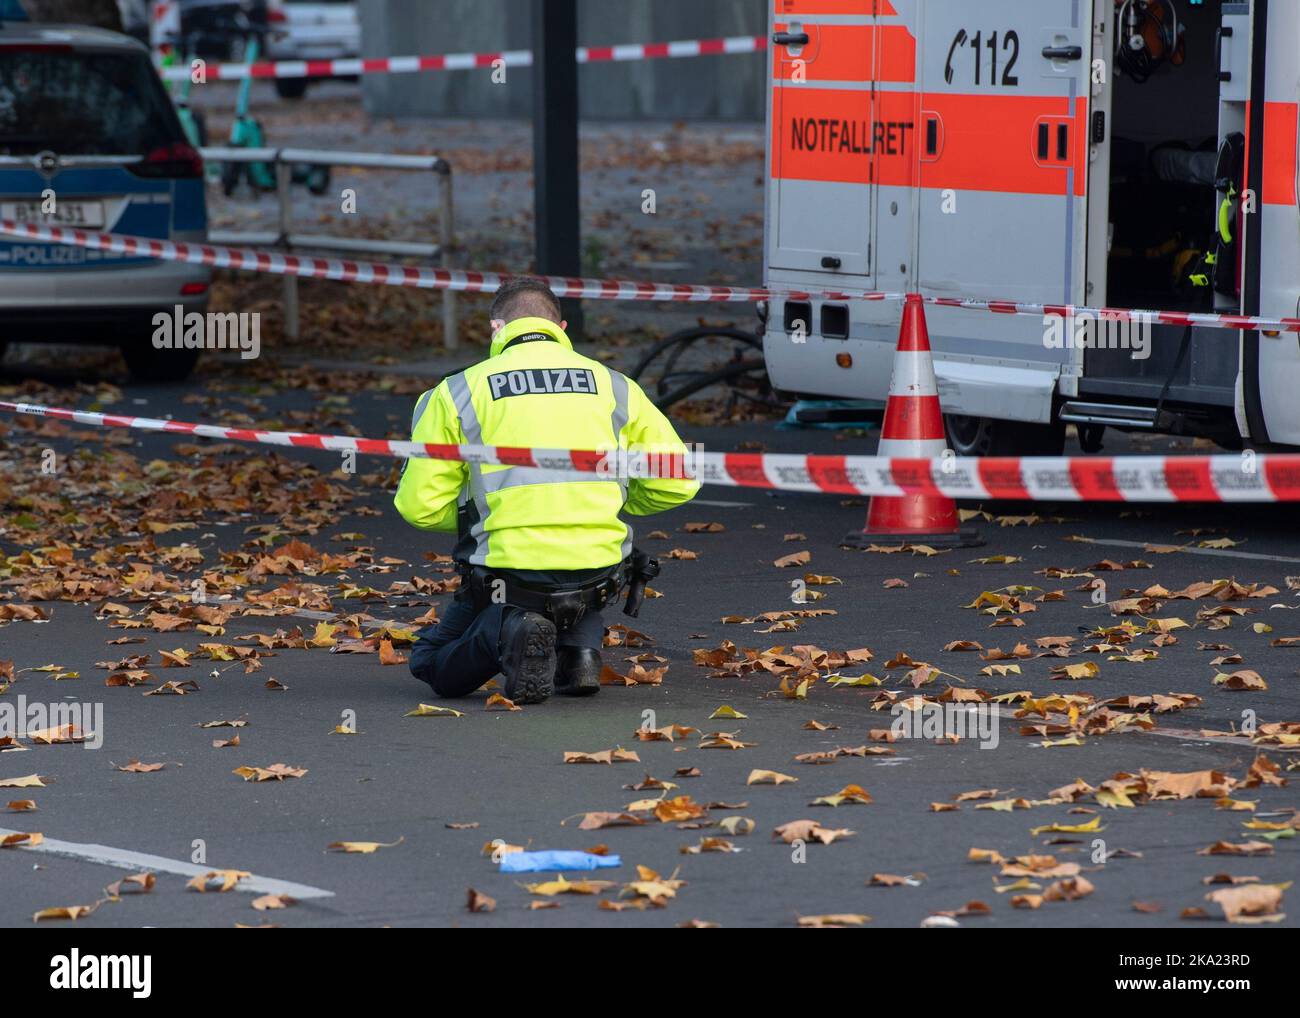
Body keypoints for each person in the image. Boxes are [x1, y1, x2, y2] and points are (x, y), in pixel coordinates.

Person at [394, 278, 699, 704]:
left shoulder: (456, 392)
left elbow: (419, 508)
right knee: (585, 573)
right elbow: (677, 480)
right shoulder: (616, 386)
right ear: (563, 326)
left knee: (429, 660)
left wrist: (485, 512)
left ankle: (508, 630)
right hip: (597, 573)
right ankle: (579, 654)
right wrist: (607, 500)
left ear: (496, 329)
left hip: (510, 575)